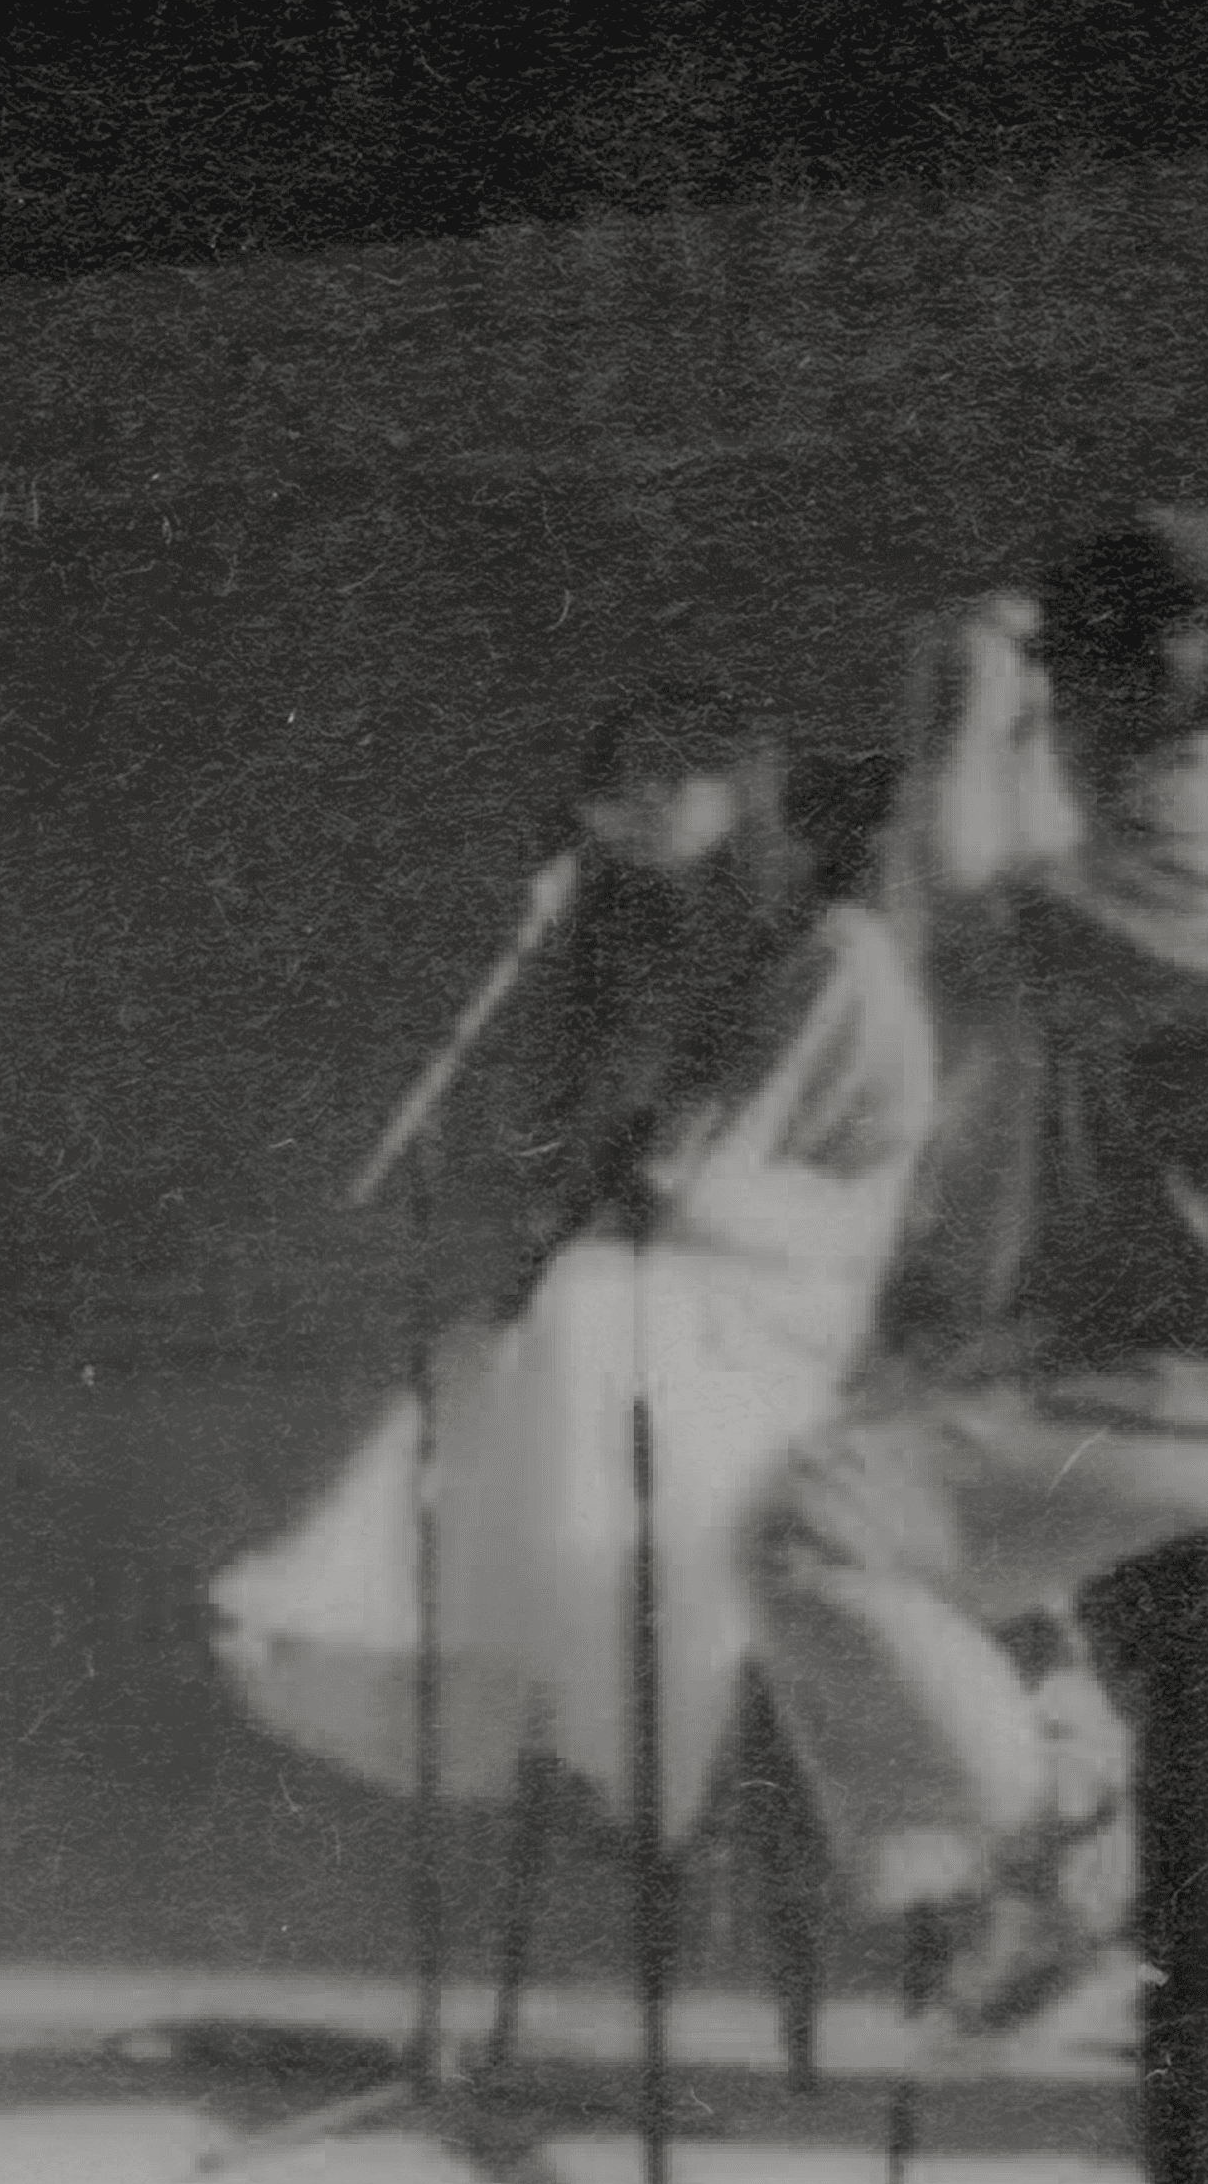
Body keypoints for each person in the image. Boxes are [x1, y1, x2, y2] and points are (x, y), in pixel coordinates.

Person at [745, 507, 1208, 2039]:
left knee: (808, 1521)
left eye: (1074, 700)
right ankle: (1060, 1802)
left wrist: (962, 718)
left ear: (1163, 671)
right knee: (907, 1465)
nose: (1063, 736)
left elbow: (974, 954)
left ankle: (1058, 1873)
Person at [213, 694, 945, 1855]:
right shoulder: (682, 944)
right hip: (691, 1286)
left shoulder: (838, 958)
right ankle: (526, 1682)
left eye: (665, 783)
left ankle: (617, 1724)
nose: (627, 815)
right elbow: (605, 1158)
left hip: (792, 1303)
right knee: (515, 1346)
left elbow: (707, 1179)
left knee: (584, 1318)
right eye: (615, 791)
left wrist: (606, 1218)